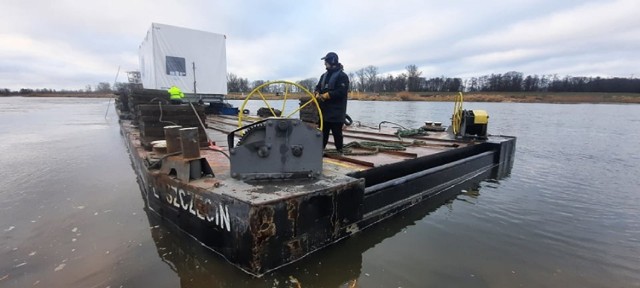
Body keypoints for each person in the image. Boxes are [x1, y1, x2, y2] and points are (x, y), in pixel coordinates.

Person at [314, 52, 349, 152]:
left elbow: (341, 92)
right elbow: (318, 87)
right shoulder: (324, 76)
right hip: (324, 112)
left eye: (326, 61)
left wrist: (327, 95)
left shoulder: (342, 76)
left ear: (331, 61)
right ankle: (319, 152)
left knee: (337, 134)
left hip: (336, 113)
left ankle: (340, 151)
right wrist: (316, 93)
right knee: (322, 134)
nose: (324, 63)